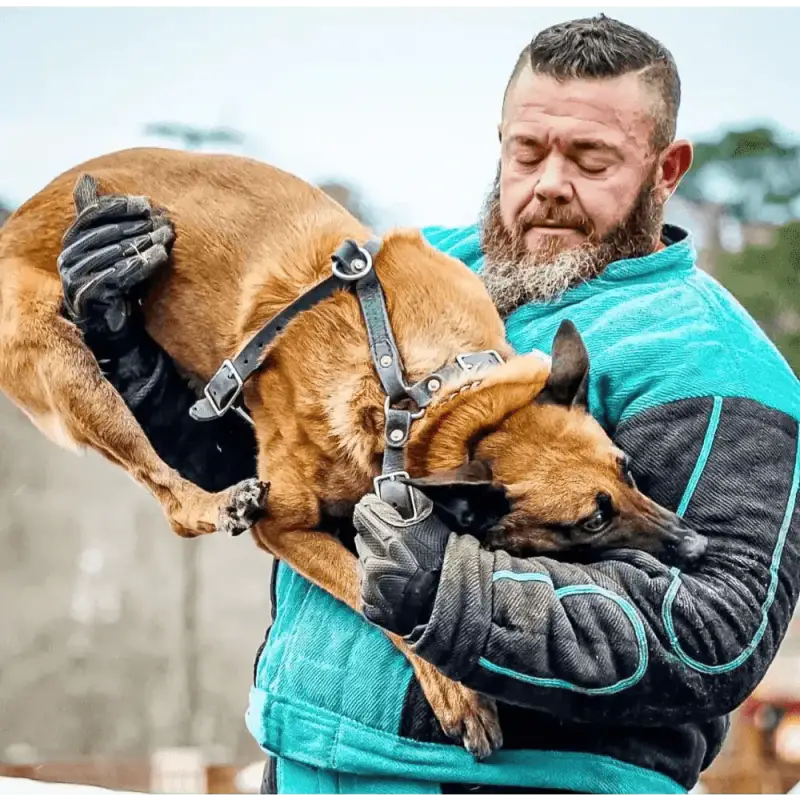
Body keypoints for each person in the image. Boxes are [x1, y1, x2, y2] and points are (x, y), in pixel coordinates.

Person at [56, 14, 800, 796]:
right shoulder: (414, 274)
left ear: (665, 169)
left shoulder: (713, 362)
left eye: (590, 159)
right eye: (528, 152)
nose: (549, 183)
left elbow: (712, 634)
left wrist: (450, 590)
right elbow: (267, 484)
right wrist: (130, 357)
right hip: (300, 766)